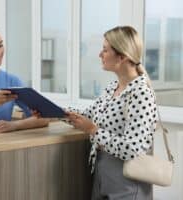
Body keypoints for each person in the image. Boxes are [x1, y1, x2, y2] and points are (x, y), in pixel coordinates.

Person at [65, 26, 158, 199]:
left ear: (122, 56)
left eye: (105, 50)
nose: (100, 54)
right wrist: (56, 112)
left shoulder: (141, 93)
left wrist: (93, 130)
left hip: (127, 186)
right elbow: (89, 115)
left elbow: (133, 149)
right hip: (103, 179)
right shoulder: (111, 89)